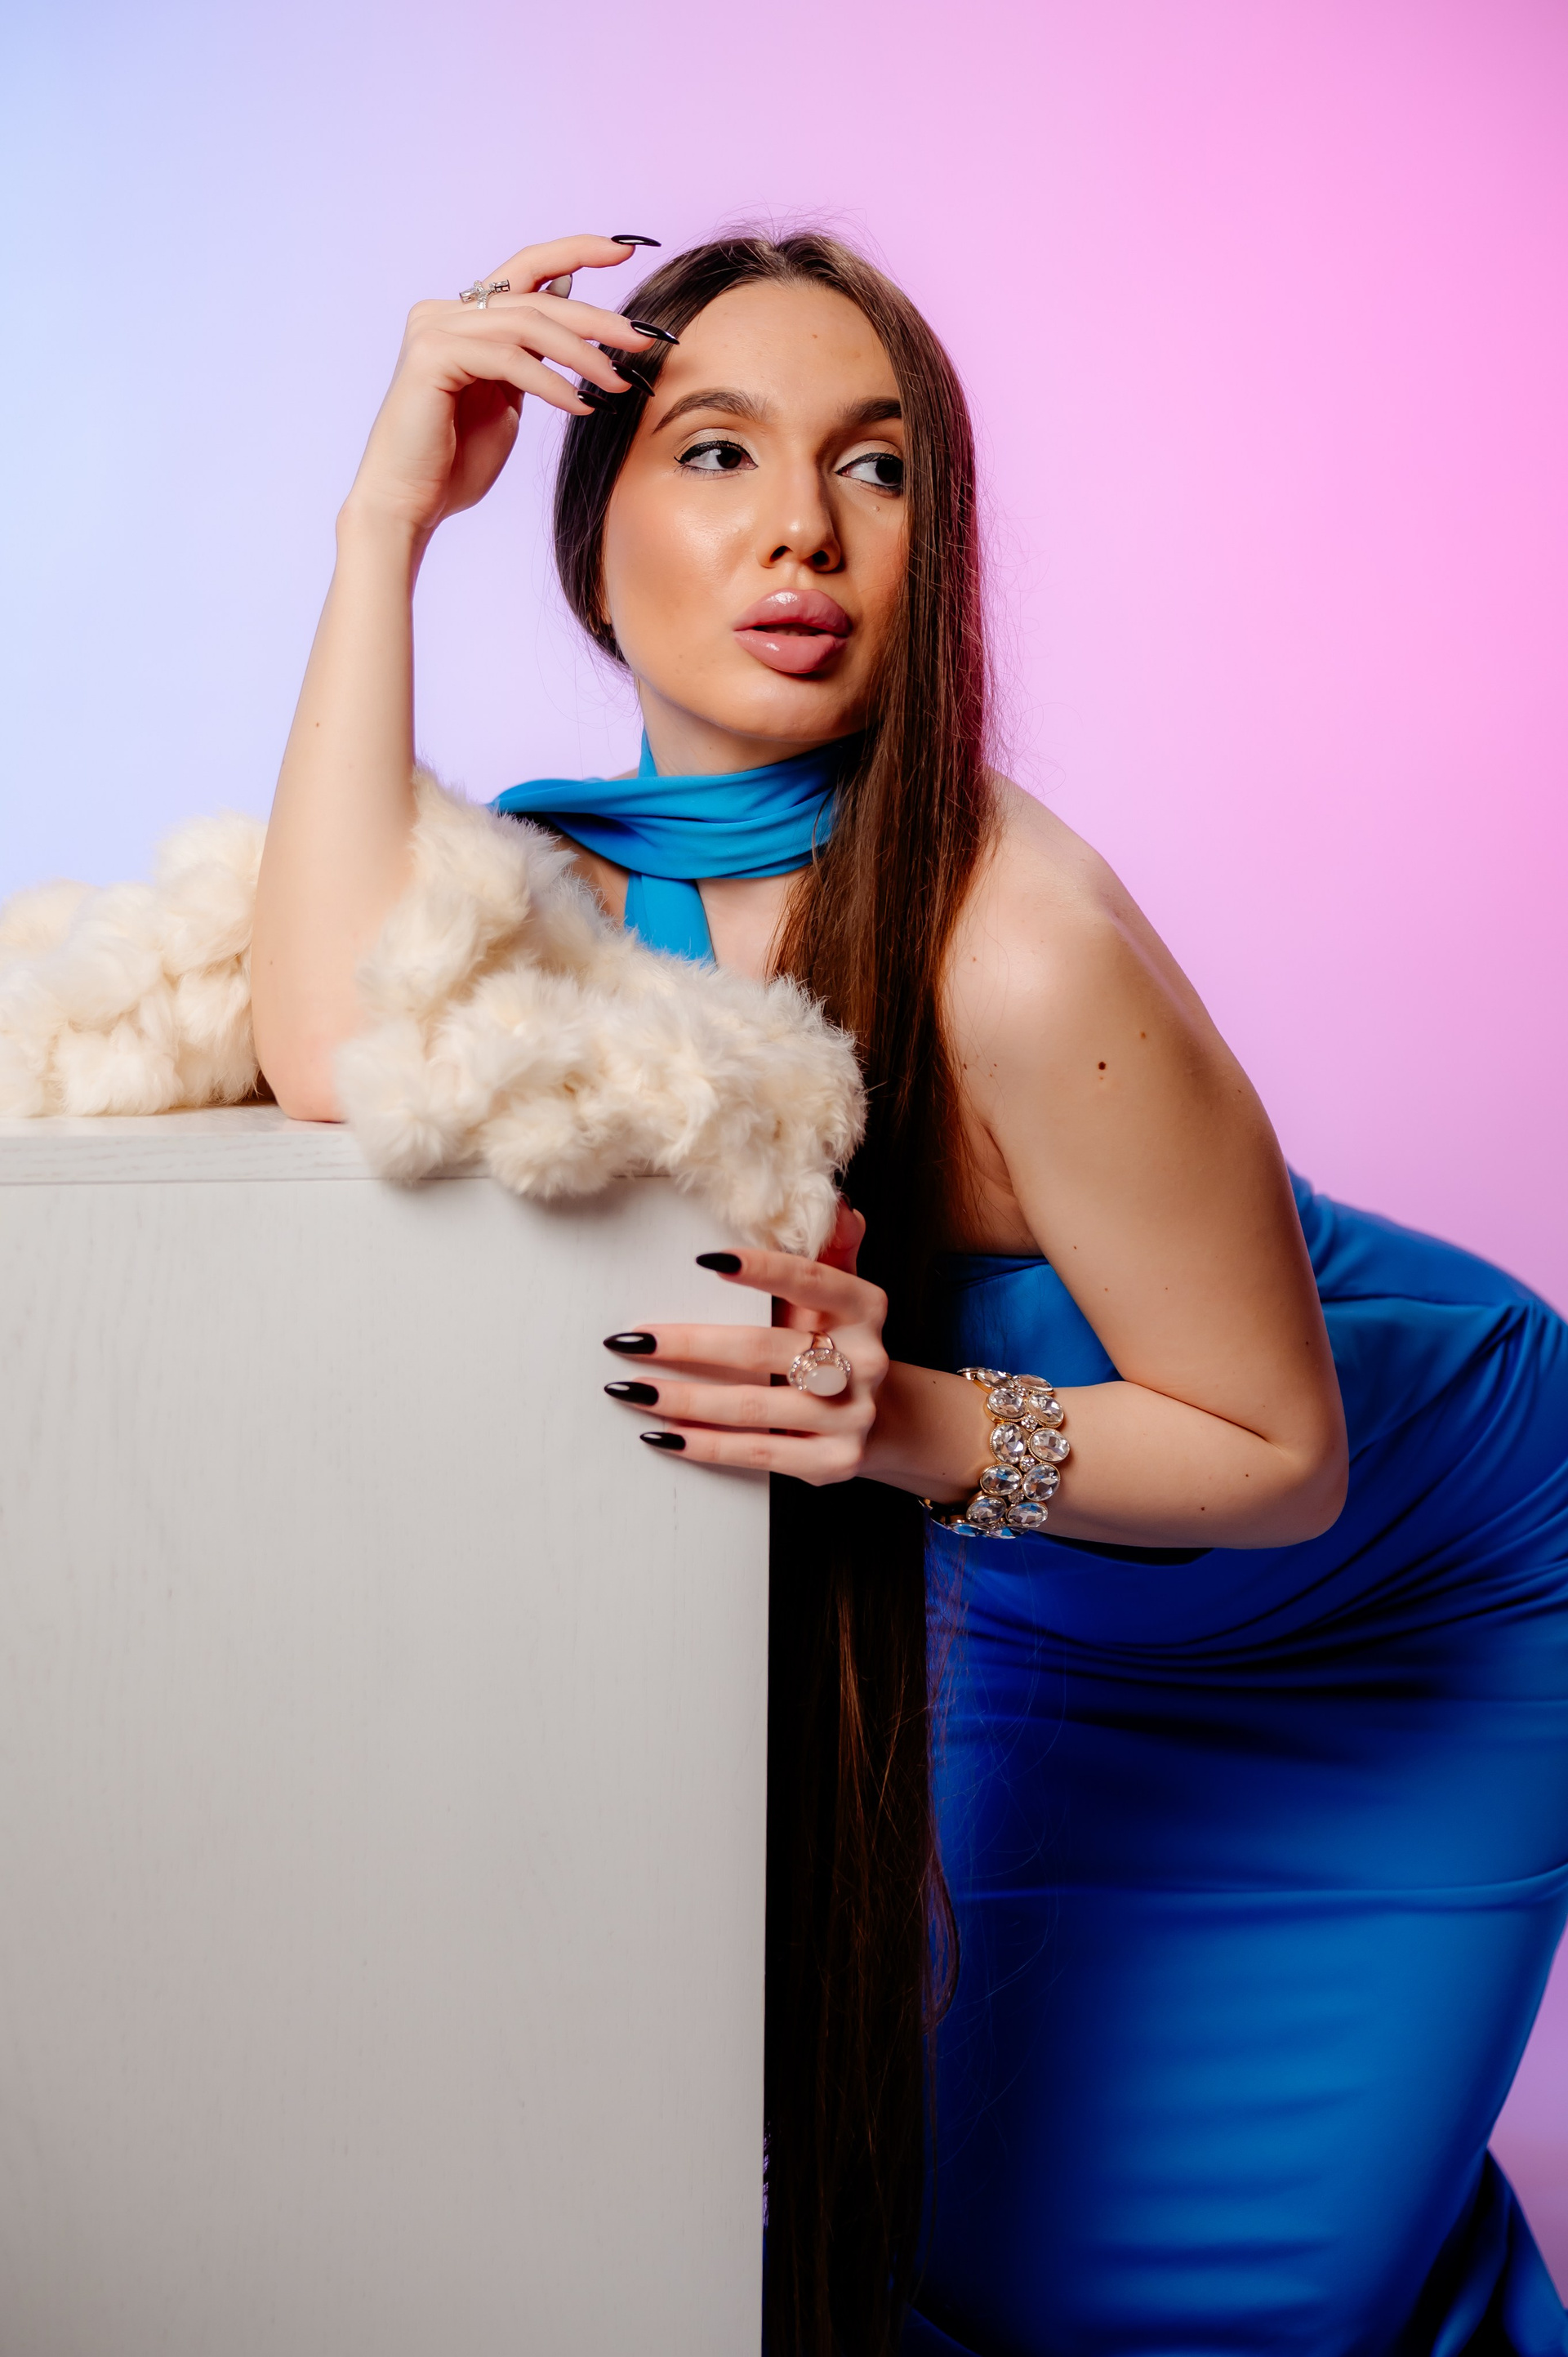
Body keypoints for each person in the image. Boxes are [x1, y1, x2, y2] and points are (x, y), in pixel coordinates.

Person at [251, 229, 1568, 2357]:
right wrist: (382, 519)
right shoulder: (574, 885)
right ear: (590, 548)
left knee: (1185, 2289)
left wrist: (904, 1426)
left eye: (875, 468)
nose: (803, 528)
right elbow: (330, 1049)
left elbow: (1282, 1451)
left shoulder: (1015, 945)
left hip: (1390, 1581)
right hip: (1042, 1574)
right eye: (716, 452)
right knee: (947, 2244)